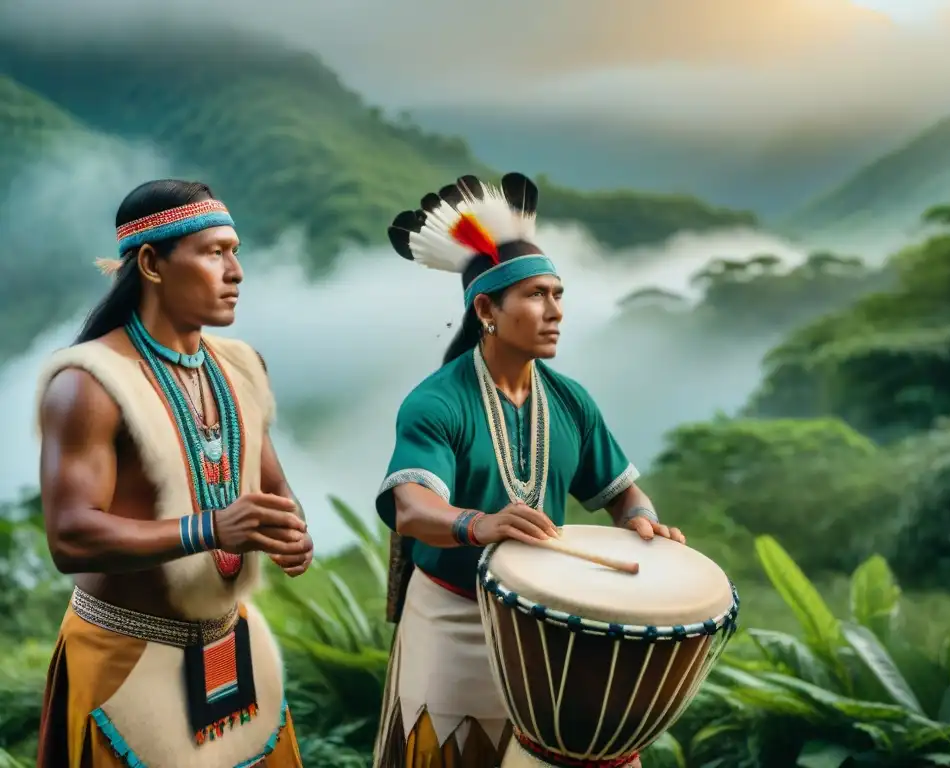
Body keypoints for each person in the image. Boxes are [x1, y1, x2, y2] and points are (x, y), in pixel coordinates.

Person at [372, 173, 685, 768]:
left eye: (559, 294)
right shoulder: (437, 402)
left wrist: (644, 523)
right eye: (537, 296)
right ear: (486, 309)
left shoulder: (570, 402)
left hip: (545, 626)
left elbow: (624, 495)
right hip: (453, 616)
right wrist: (478, 525)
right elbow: (411, 508)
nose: (555, 312)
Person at [35, 179, 314, 768]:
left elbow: (270, 490)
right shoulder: (87, 384)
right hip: (125, 657)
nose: (235, 271)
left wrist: (292, 530)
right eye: (215, 252)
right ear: (150, 263)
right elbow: (70, 537)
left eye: (236, 251)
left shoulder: (241, 367)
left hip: (233, 651)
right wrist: (209, 529)